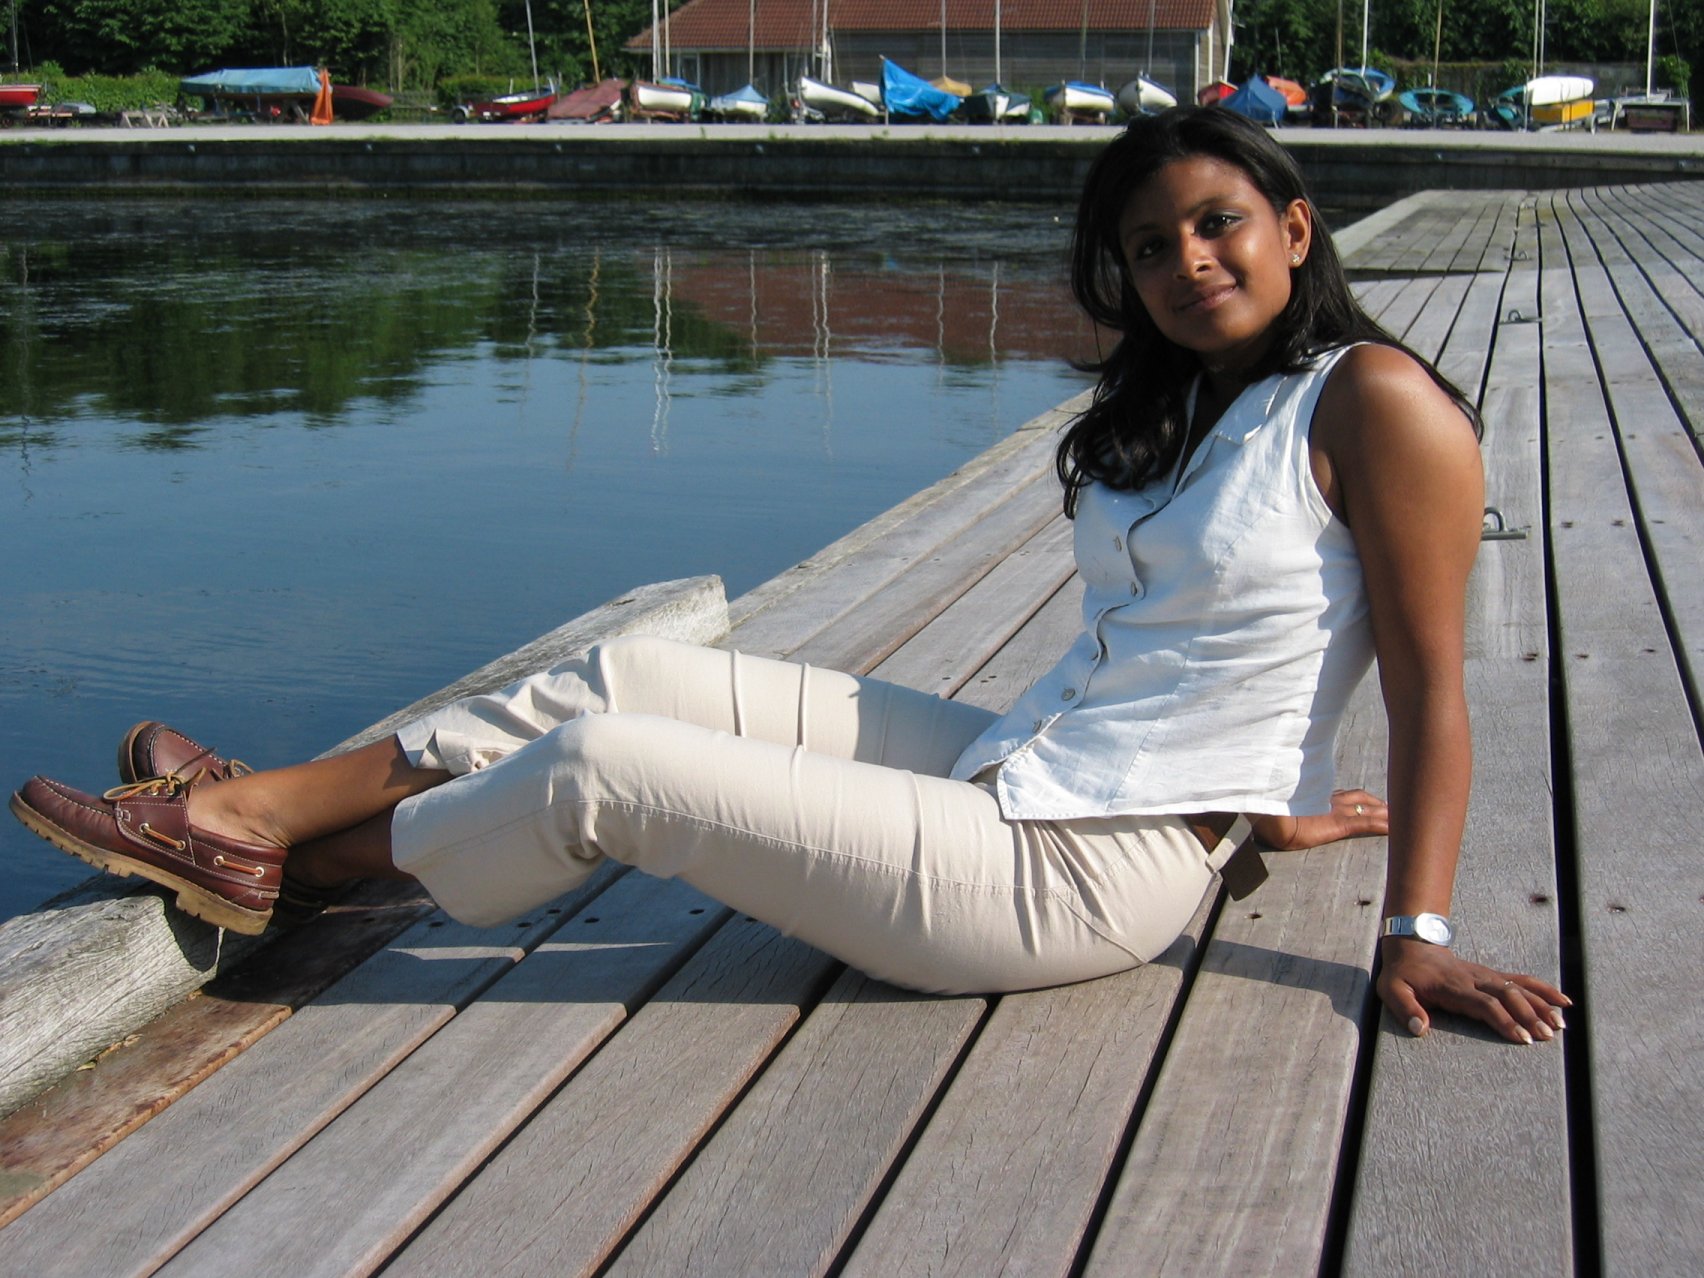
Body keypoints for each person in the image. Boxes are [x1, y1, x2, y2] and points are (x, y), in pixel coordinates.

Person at [10, 107, 1567, 1046]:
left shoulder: (1377, 403)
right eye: (1150, 246)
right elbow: (1223, 643)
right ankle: (260, 812)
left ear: (1295, 226)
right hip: (1028, 764)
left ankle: (297, 862)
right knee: (633, 676)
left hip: (1083, 876)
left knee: (608, 767)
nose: (1185, 263)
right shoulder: (1202, 402)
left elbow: (1432, 686)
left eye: (1217, 226)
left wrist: (1416, 928)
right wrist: (1269, 791)